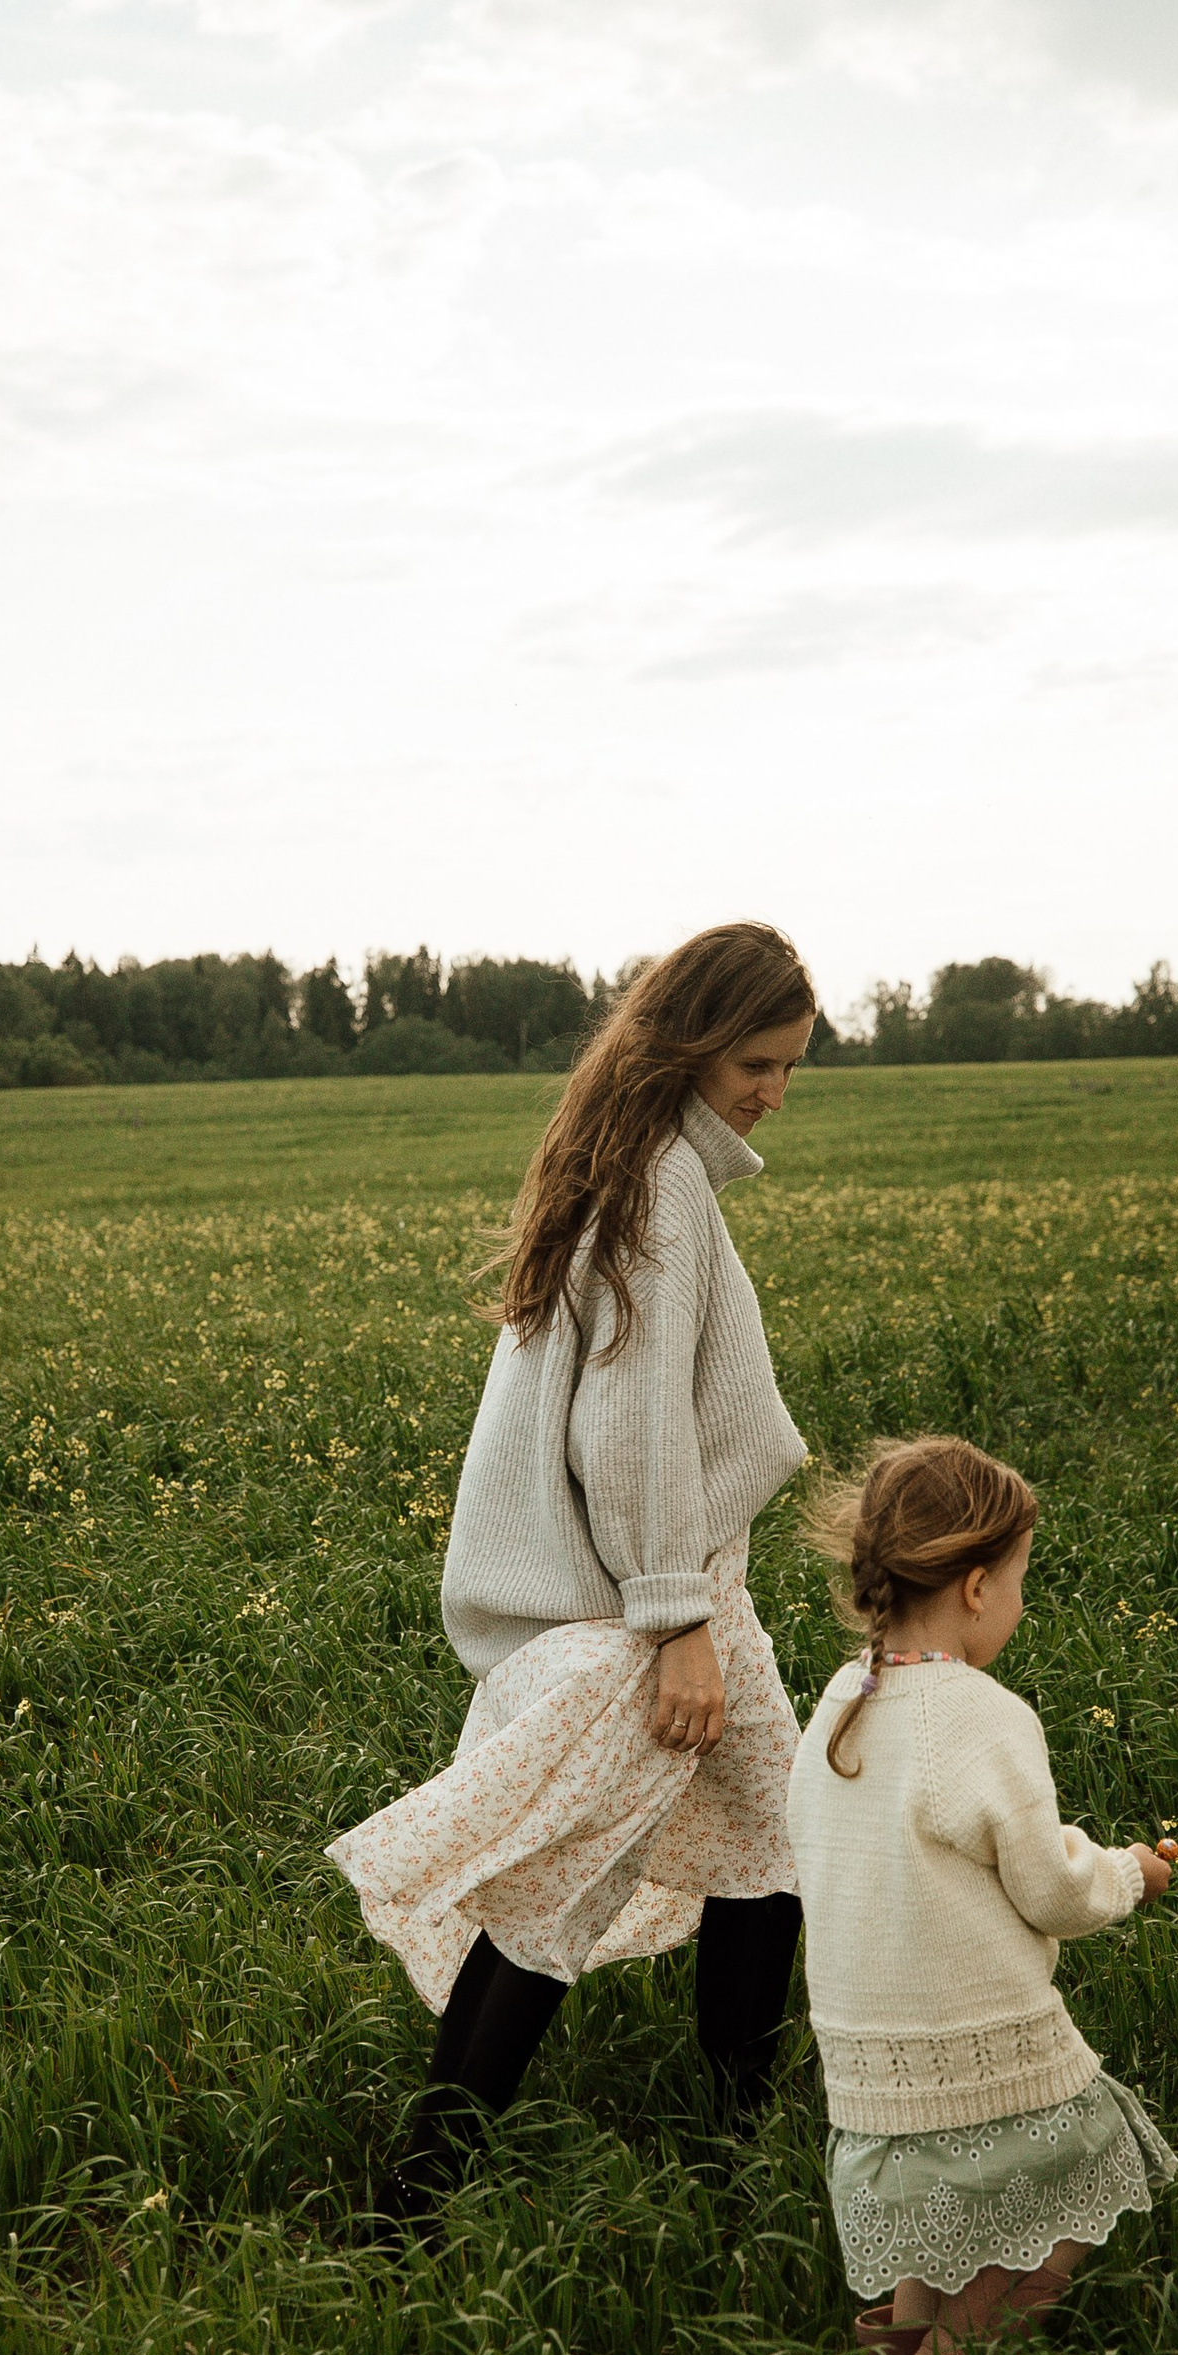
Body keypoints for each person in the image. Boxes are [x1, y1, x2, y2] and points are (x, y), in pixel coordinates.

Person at [329, 920, 821, 2226]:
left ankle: (730, 2153)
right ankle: (412, 2203)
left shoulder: (637, 1165)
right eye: (760, 1062)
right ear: (696, 1043)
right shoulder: (656, 1182)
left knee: (774, 1836)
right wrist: (675, 1621)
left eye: (791, 1069)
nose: (774, 1092)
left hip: (693, 1585)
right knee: (559, 1896)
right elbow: (632, 1426)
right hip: (660, 1598)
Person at [787, 1435, 1178, 2355]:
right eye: (1017, 1582)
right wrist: (1126, 1874)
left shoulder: (842, 1699)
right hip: (980, 2056)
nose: (1018, 1604)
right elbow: (1051, 1888)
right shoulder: (979, 1716)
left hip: (871, 2069)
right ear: (971, 1587)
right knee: (1058, 2225)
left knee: (936, 2255)